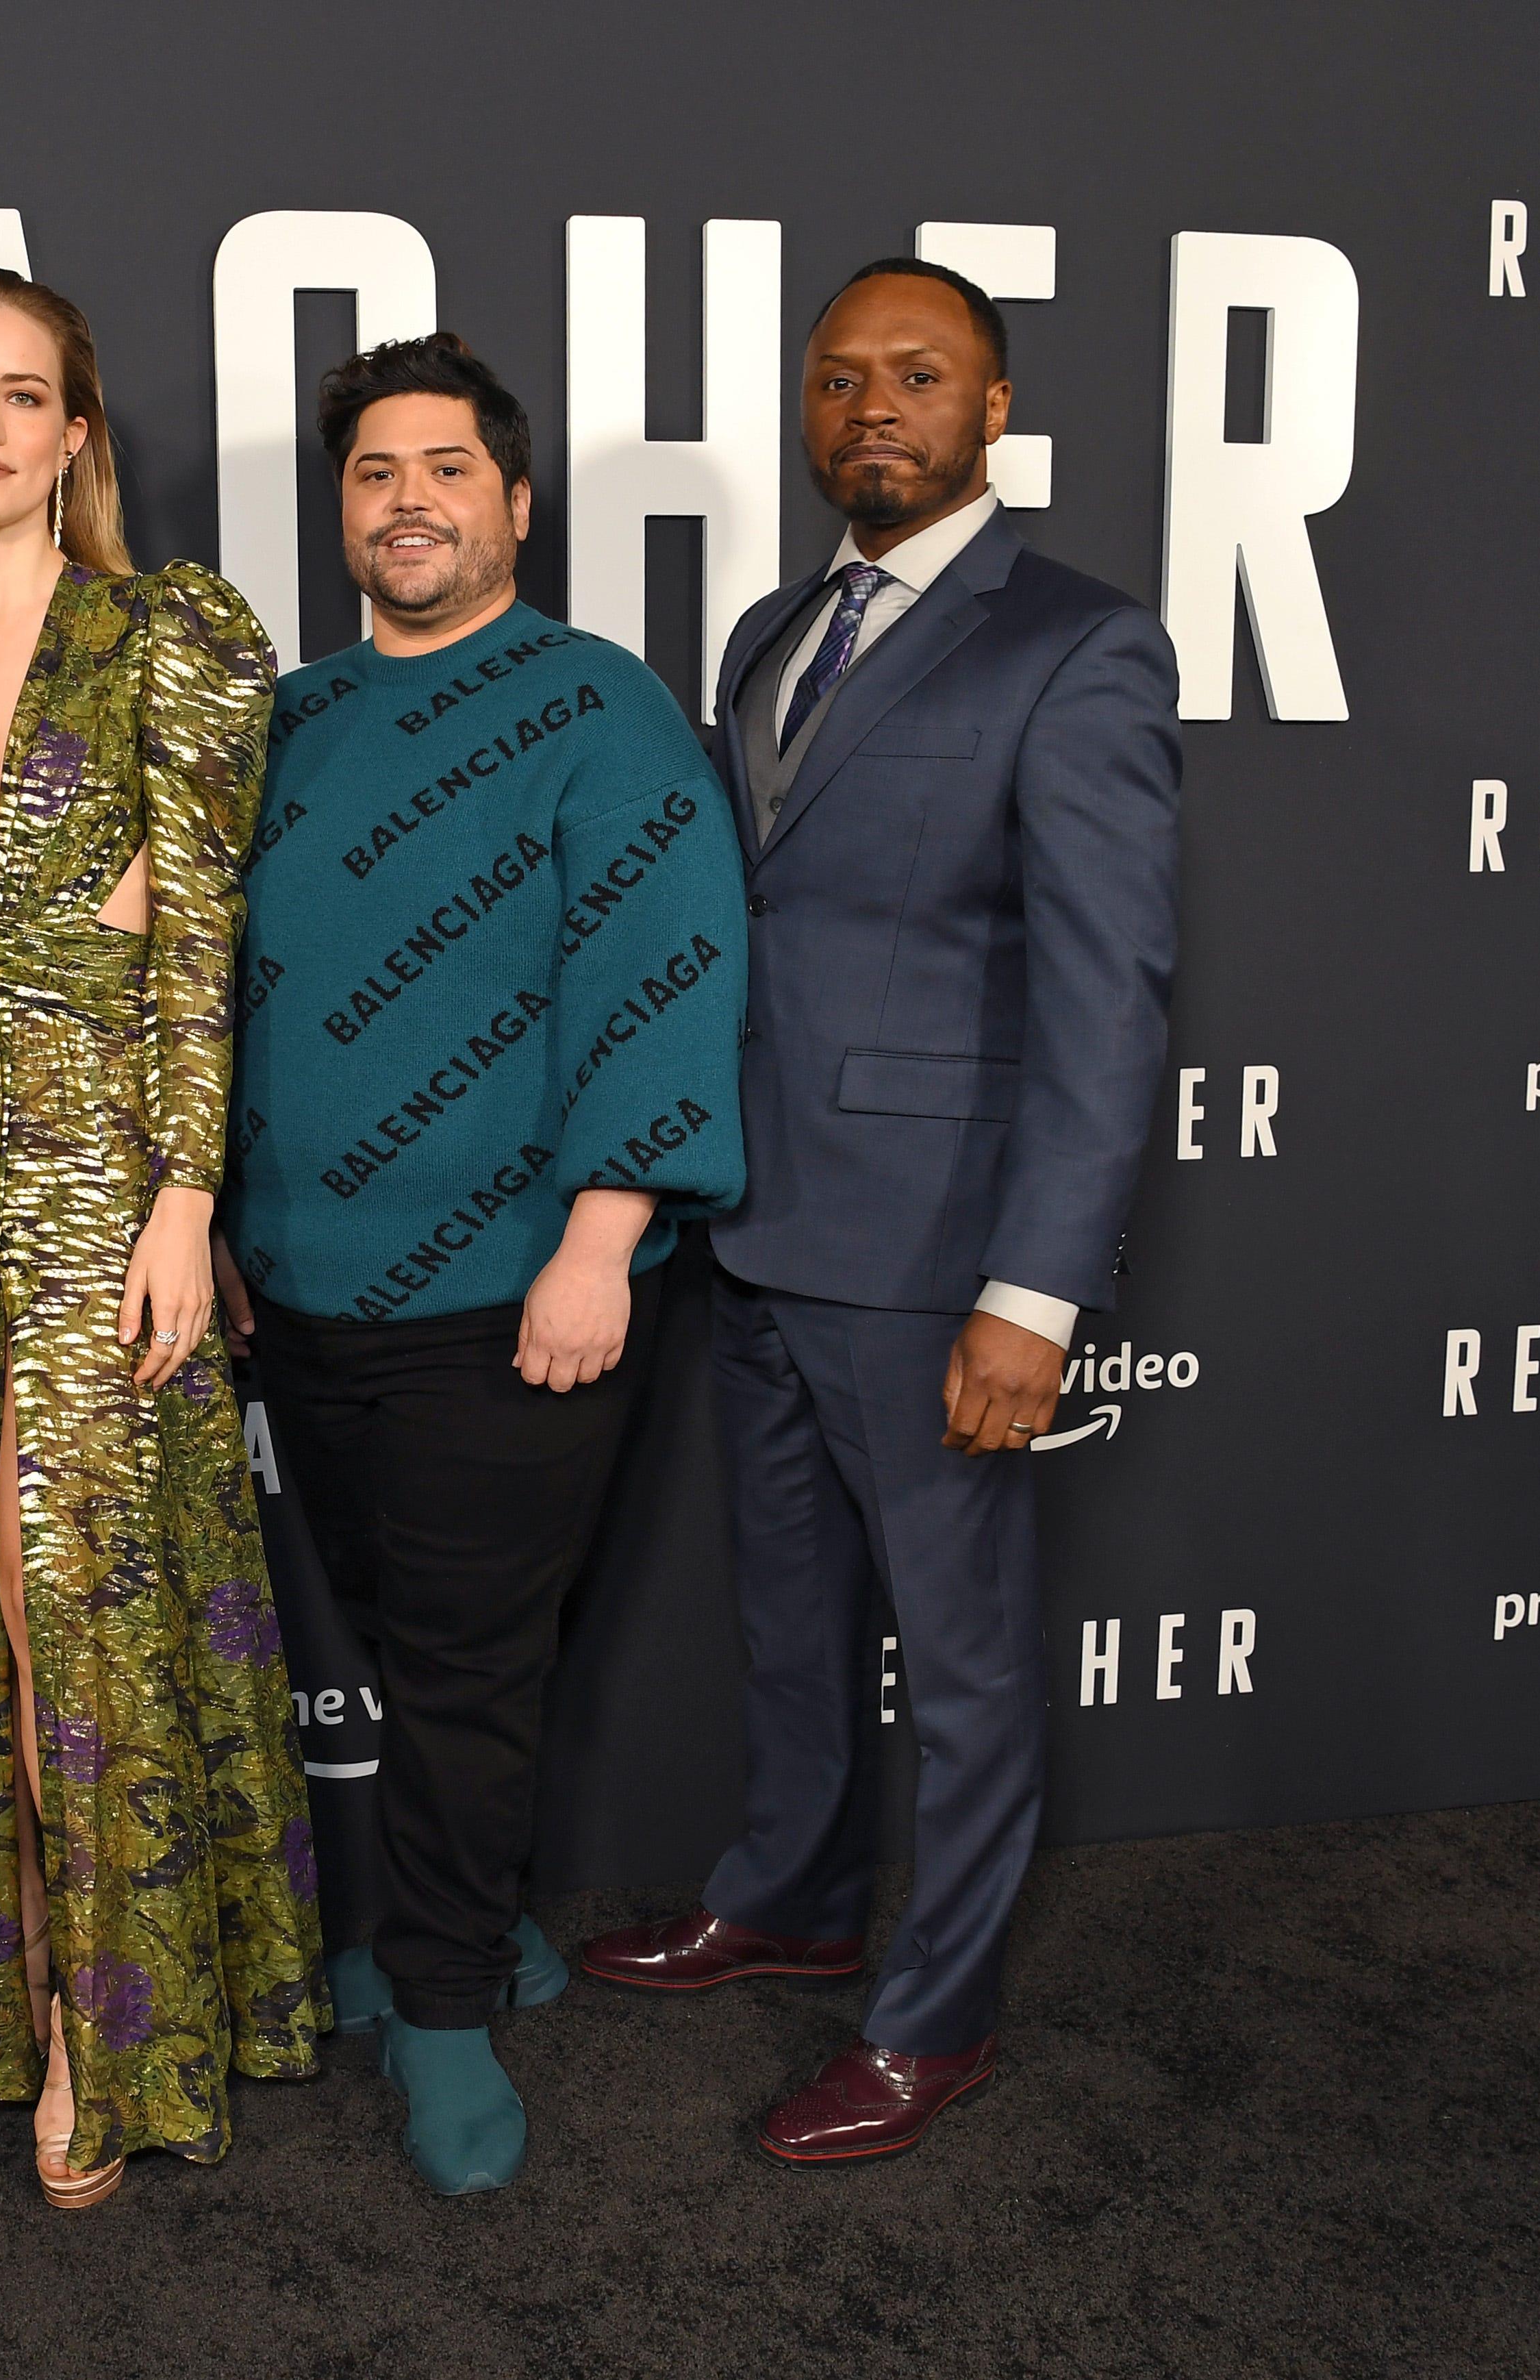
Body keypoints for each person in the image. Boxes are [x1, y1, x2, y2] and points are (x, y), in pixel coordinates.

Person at [578, 260, 1181, 2165]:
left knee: (970, 1654)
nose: (872, 409)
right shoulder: (775, 626)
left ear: (995, 407)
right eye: (839, 379)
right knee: (794, 1617)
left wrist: (1036, 1291)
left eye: (919, 376)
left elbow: (1109, 992)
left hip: (936, 1259)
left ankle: (938, 2018)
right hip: (750, 1228)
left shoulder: (1077, 646)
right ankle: (796, 1896)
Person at [0, 264, 329, 2209]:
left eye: (27, 394)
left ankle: (113, 2030)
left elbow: (193, 938)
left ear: (79, 435)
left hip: (109, 1166)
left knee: (71, 1589)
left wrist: (188, 1198)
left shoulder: (165, 634)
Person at [216, 333, 748, 2195]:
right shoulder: (287, 718)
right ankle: (485, 1926)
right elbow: (204, 997)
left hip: (517, 1289)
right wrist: (206, 1217)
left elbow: (664, 978)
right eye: (374, 471)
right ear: (342, 508)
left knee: (458, 1666)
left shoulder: (603, 707)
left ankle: (440, 2000)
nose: (409, 500)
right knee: (406, 1629)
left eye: (447, 467)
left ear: (515, 504)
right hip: (303, 1285)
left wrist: (604, 1239)